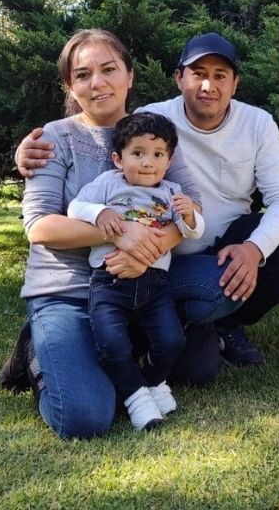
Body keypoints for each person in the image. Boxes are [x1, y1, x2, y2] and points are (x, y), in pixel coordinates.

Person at [13, 31, 279, 370]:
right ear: (179, 78)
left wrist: (254, 248)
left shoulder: (257, 123)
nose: (208, 86)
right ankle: (168, 330)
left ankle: (226, 325)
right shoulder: (154, 121)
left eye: (220, 76)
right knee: (195, 370)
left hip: (213, 242)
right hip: (168, 256)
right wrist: (25, 152)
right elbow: (104, 138)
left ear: (235, 83)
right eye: (198, 73)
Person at [0, 28, 242, 439]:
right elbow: (39, 227)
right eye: (83, 75)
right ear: (70, 86)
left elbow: (191, 204)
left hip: (145, 279)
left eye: (109, 69)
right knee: (87, 417)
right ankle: (39, 349)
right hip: (69, 290)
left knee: (223, 286)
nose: (98, 82)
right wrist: (117, 233)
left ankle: (143, 340)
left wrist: (149, 247)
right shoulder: (54, 138)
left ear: (129, 75)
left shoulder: (152, 129)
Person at [67, 112, 204, 430]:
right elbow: (75, 207)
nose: (147, 163)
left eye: (157, 155)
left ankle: (154, 381)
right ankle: (136, 397)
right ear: (118, 159)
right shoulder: (108, 183)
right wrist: (99, 213)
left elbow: (193, 231)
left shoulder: (172, 192)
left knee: (172, 341)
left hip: (156, 285)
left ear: (168, 161)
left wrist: (190, 216)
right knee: (112, 345)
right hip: (109, 282)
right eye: (138, 153)